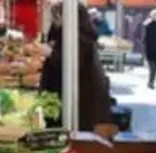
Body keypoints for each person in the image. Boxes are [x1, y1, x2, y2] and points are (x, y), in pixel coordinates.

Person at [41, 1, 112, 130]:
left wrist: (50, 53)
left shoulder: (78, 37)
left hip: (82, 101)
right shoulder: (77, 33)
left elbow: (72, 65)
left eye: (57, 16)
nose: (54, 19)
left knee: (81, 135)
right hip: (81, 97)